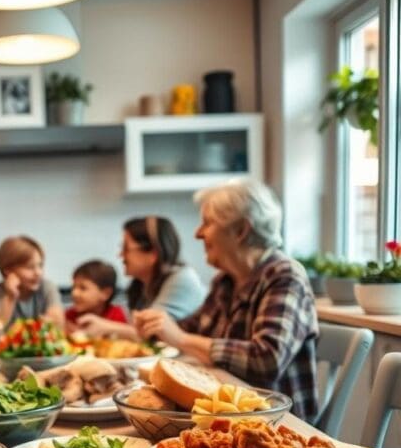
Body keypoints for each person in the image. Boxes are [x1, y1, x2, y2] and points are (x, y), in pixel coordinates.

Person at [134, 179, 319, 420]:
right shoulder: (225, 282)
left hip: (276, 422)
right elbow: (191, 329)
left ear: (241, 230)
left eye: (207, 223)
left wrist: (179, 337)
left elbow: (267, 359)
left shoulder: (285, 275)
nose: (198, 233)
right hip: (229, 415)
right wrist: (156, 326)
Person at [75, 216, 205, 339]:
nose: (120, 255)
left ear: (153, 254)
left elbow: (153, 333)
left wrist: (106, 327)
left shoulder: (182, 279)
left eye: (126, 249)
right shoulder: (141, 285)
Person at [0, 236, 64, 330]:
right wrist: (10, 296)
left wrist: (53, 320)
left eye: (40, 265)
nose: (38, 273)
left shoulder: (47, 287)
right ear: (8, 270)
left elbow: (58, 325)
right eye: (30, 267)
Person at [65, 260, 128, 332]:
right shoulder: (70, 315)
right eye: (73, 287)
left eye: (83, 288)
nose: (74, 293)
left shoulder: (116, 315)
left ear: (105, 294)